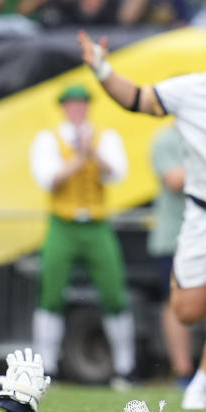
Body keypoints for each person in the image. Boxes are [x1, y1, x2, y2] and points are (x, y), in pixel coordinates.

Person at [77, 25, 206, 410]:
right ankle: (204, 303)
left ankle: (202, 385)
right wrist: (104, 71)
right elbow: (138, 98)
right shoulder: (192, 90)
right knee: (187, 311)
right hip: (205, 216)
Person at [28, 85, 134, 389]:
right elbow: (48, 179)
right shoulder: (49, 138)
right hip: (62, 224)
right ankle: (46, 366)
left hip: (97, 224)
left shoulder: (105, 137)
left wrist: (92, 154)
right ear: (64, 108)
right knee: (51, 294)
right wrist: (80, 156)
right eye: (72, 105)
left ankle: (124, 367)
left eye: (82, 105)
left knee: (114, 293)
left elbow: (116, 173)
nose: (77, 110)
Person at [148, 125, 193, 385]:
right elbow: (175, 180)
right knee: (176, 302)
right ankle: (182, 370)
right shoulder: (165, 139)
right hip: (175, 237)